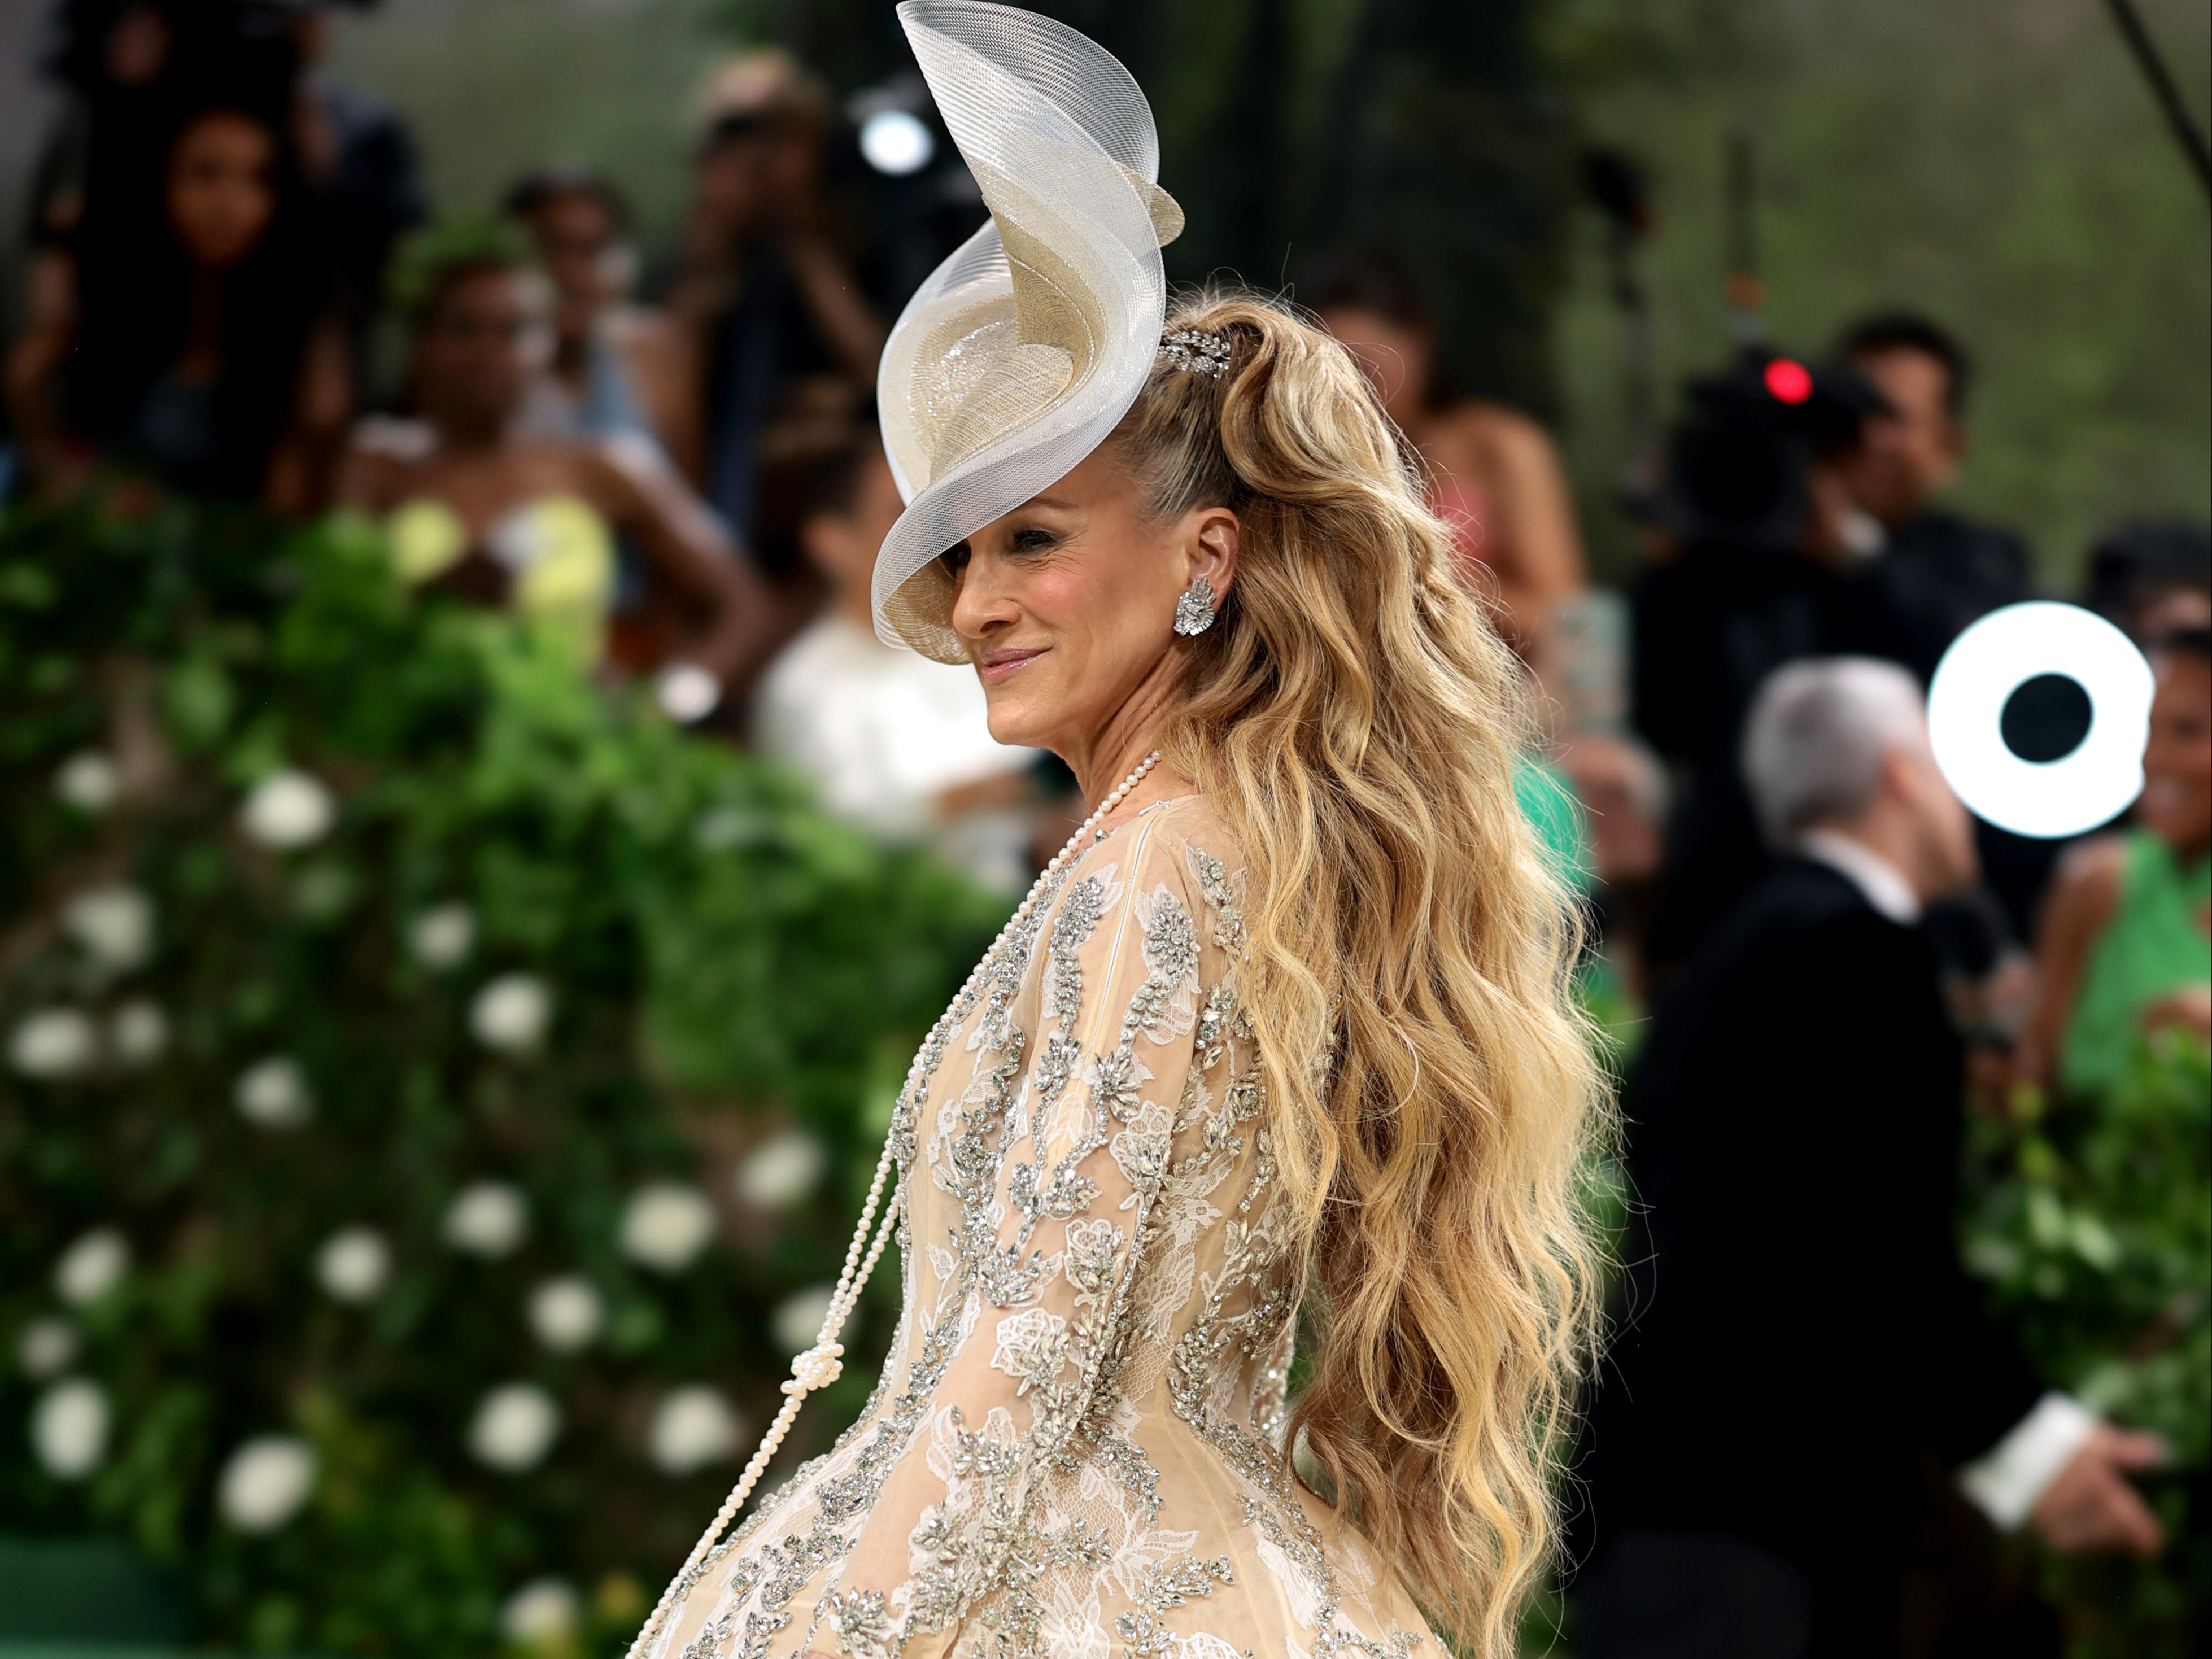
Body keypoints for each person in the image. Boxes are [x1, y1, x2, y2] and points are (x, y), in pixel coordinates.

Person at [635, 8, 1602, 1658]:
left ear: (1202, 557)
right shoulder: (1186, 843)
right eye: (963, 555)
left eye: (1034, 540)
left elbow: (1024, 1350)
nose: (980, 601)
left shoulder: (1161, 862)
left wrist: (825, 1634)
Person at [1576, 657, 2167, 1659]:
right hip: (1752, 1519)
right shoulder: (1861, 951)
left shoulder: (1736, 950)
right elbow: (1876, 1240)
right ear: (1901, 773)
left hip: (1662, 1508)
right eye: (1943, 766)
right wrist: (2036, 1450)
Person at [335, 222, 771, 704]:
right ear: (421, 340)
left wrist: (669, 701)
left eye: (514, 331)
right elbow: (330, 616)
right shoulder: (375, 464)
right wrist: (428, 596)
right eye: (463, 328)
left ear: (547, 340)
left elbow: (745, 606)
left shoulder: (603, 465)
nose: (488, 353)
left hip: (563, 737)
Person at [9, 78, 348, 509]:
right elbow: (24, 376)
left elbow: (293, 493)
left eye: (258, 180)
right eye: (205, 174)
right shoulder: (118, 293)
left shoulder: (289, 320)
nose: (230, 204)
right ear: (161, 178)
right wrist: (65, 475)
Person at [752, 428, 1041, 891]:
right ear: (831, 541)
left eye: (929, 517)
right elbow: (829, 834)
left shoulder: (976, 636)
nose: (924, 537)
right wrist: (972, 797)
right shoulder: (803, 684)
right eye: (898, 515)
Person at [657, 49, 887, 546]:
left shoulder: (855, 240)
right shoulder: (692, 261)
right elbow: (663, 387)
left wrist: (802, 238)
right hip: (712, 504)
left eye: (779, 134)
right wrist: (714, 230)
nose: (758, 155)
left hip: (830, 507)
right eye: (738, 134)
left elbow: (879, 368)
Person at [1307, 246, 1586, 650]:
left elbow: (1563, 620)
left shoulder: (1500, 447)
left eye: (1367, 367)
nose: (1355, 392)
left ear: (1421, 344)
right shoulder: (1324, 468)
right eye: (1332, 376)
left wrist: (1418, 568)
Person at [2018, 627, 2212, 1095]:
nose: (2155, 758)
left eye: (2187, 730)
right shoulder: (2093, 882)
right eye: (2146, 731)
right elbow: (2032, 1083)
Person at [1832, 311, 2035, 684]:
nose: (1869, 437)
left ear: (1949, 447)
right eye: (1853, 412)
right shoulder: (1753, 545)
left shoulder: (1982, 562)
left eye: (1893, 419)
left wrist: (1849, 542)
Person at [503, 167, 688, 453]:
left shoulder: (656, 349)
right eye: (551, 248)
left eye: (591, 250)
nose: (572, 272)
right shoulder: (488, 365)